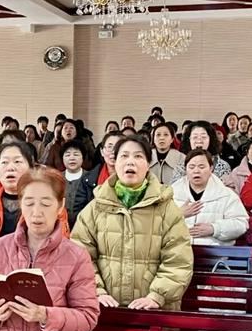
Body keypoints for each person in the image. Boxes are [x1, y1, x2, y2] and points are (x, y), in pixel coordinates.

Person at [0, 167, 99, 331]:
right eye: (29, 203)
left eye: (46, 204)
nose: (36, 212)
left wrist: (46, 315)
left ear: (60, 205)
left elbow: (87, 317)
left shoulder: (76, 256)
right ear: (21, 203)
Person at [71, 135, 193, 310]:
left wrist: (157, 296)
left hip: (155, 311)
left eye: (138, 156)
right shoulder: (95, 207)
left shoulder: (167, 208)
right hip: (105, 309)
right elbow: (81, 255)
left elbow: (178, 260)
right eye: (124, 156)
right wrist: (97, 291)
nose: (130, 162)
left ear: (148, 164)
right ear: (115, 162)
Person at [0, 142, 69, 290]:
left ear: (31, 168)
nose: (10, 167)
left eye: (18, 161)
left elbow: (60, 250)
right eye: (4, 162)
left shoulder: (48, 205)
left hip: (36, 288)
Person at [171, 150, 248, 246]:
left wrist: (214, 229)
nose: (196, 171)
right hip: (178, 253)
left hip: (215, 255)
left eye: (201, 167)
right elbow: (156, 225)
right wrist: (178, 214)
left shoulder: (226, 195)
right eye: (191, 167)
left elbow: (241, 224)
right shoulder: (172, 194)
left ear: (211, 168)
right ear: (185, 169)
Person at [74, 132, 122, 215]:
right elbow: (79, 211)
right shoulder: (88, 179)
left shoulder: (134, 178)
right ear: (102, 151)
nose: (113, 152)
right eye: (110, 147)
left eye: (118, 147)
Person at [61, 139, 88, 228]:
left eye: (76, 154)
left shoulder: (90, 178)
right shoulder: (57, 179)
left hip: (84, 228)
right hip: (60, 229)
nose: (72, 158)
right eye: (67, 155)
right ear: (63, 158)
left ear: (82, 157)